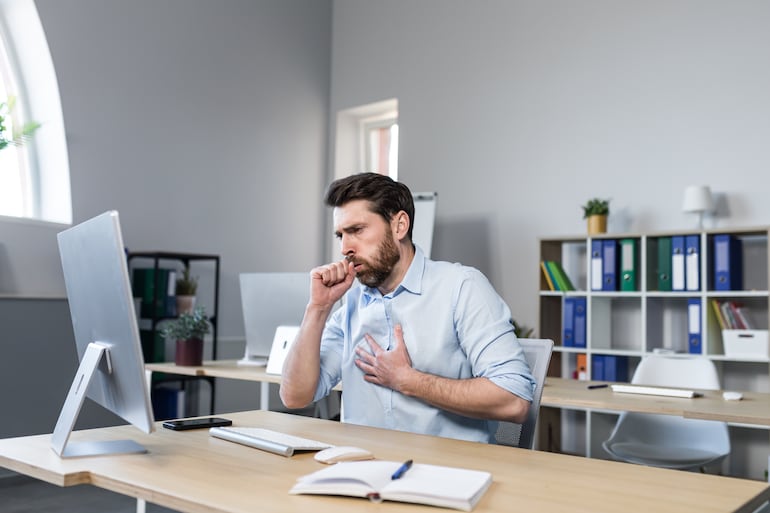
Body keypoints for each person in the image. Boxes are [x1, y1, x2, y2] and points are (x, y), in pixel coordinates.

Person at [279, 172, 535, 443]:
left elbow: (514, 400)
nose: (345, 247)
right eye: (340, 235)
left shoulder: (461, 287)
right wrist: (318, 308)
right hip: (362, 469)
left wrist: (408, 381)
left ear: (399, 225)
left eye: (357, 230)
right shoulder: (350, 304)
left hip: (448, 473)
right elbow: (295, 396)